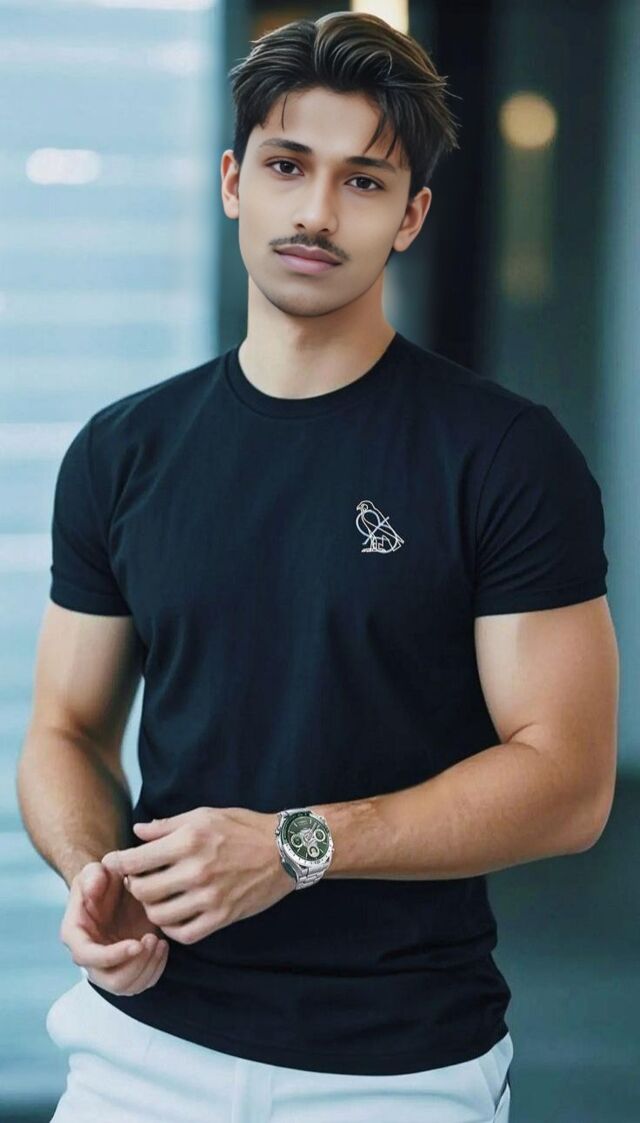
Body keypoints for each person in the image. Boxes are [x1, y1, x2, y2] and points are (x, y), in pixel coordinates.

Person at [17, 11, 618, 1123]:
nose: (316, 212)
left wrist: (297, 846)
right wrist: (102, 874)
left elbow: (569, 782)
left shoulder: (502, 455)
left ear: (411, 216)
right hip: (140, 1047)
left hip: (397, 1066)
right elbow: (66, 728)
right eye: (289, 166)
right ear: (234, 180)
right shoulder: (123, 450)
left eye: (364, 181)